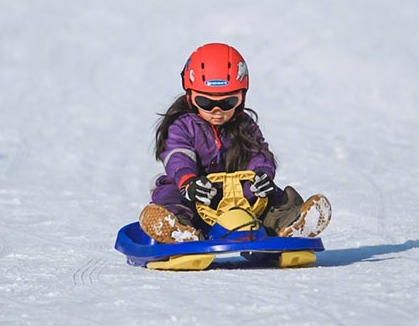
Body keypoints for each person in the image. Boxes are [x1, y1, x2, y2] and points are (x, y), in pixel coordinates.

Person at [139, 42, 331, 244]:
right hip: (197, 193)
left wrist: (262, 177)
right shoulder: (182, 126)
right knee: (169, 194)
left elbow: (258, 153)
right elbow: (177, 155)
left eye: (227, 102)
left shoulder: (244, 125)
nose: (216, 110)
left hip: (236, 195)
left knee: (273, 195)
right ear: (190, 97)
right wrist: (188, 182)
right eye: (205, 102)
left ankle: (289, 224)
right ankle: (178, 228)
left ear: (242, 98)